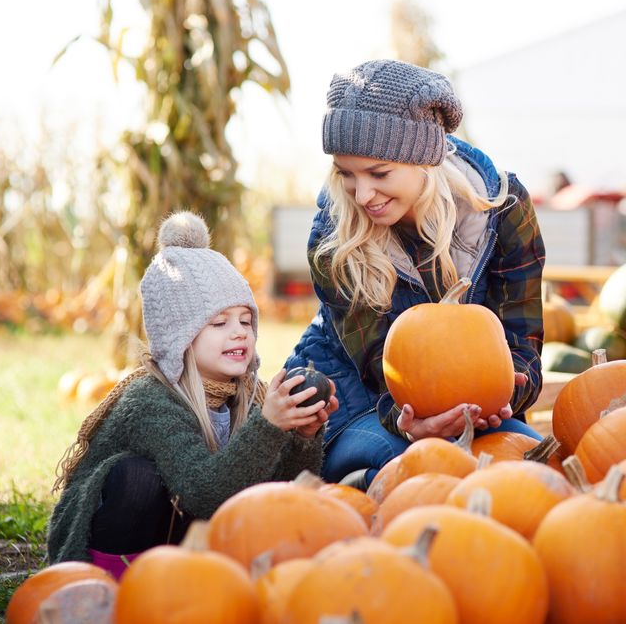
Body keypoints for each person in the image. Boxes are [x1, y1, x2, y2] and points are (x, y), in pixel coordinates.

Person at [284, 59, 545, 489]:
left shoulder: (505, 211)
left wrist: (505, 396)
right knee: (411, 469)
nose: (362, 194)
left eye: (379, 173)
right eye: (346, 174)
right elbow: (378, 368)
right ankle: (352, 499)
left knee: (527, 464)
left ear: (425, 160)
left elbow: (522, 340)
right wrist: (411, 424)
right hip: (357, 398)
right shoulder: (335, 236)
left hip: (468, 407)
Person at [48, 211, 335, 578]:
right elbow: (204, 492)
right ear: (178, 338)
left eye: (246, 320)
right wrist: (267, 426)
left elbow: (278, 492)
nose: (239, 333)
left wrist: (302, 437)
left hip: (180, 540)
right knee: (138, 476)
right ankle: (111, 585)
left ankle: (182, 582)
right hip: (111, 539)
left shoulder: (248, 396)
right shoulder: (151, 400)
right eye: (219, 323)